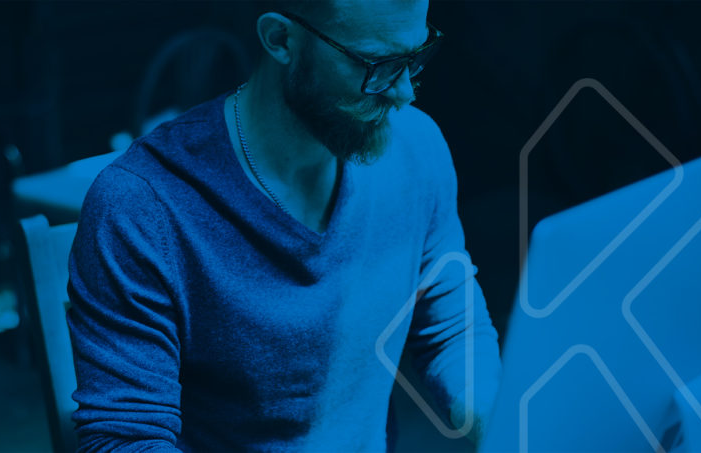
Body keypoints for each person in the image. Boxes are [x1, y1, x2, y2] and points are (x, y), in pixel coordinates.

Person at [66, 1, 502, 451]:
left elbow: (453, 328)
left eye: (415, 56)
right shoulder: (143, 206)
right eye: (377, 64)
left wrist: (499, 422)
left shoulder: (416, 147)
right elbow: (125, 440)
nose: (404, 93)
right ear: (280, 39)